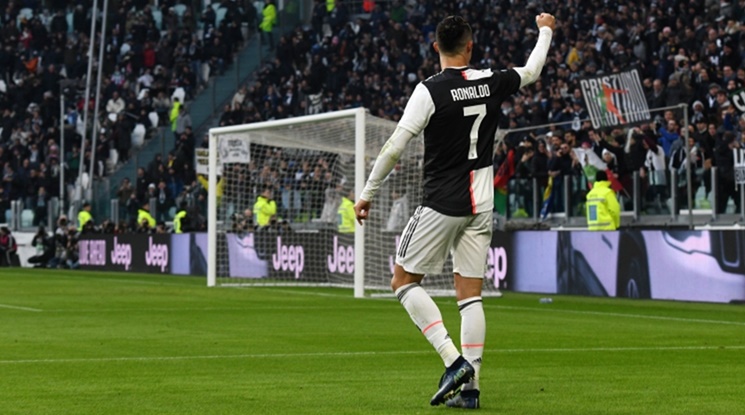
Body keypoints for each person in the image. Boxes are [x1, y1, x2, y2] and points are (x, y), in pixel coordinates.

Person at [354, 13, 554, 409]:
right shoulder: (491, 80)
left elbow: (395, 146)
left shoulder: (429, 91)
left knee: (403, 281)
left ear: (435, 47)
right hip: (481, 204)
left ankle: (453, 361)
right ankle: (471, 390)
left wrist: (367, 193)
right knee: (470, 297)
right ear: (470, 46)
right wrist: (545, 29)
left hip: (443, 202)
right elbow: (532, 71)